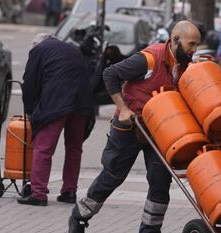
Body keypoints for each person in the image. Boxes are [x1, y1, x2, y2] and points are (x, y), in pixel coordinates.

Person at [68, 20, 201, 233]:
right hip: (130, 126)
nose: (194, 50)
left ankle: (150, 230)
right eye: (191, 44)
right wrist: (123, 108)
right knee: (113, 176)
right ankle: (80, 214)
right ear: (175, 40)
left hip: (159, 129)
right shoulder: (149, 59)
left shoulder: (185, 66)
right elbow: (110, 74)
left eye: (196, 45)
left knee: (160, 181)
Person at [17, 33, 94, 206]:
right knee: (74, 148)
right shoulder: (72, 49)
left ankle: (38, 193)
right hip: (82, 102)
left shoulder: (39, 50)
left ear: (36, 44)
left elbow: (29, 82)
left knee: (43, 148)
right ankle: (69, 191)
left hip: (57, 102)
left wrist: (30, 111)